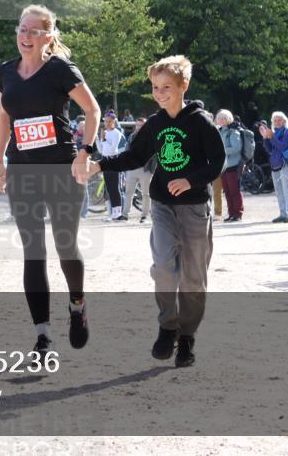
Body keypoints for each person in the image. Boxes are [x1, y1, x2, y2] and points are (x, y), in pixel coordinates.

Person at [84, 55, 224, 367]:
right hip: (162, 205)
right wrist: (100, 165)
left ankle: (187, 336)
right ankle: (168, 326)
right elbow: (135, 156)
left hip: (195, 208)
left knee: (193, 279)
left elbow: (217, 161)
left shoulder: (200, 122)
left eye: (166, 87)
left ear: (183, 86)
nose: (159, 93)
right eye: (155, 88)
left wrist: (190, 180)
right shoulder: (156, 124)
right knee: (163, 267)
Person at [0, 4, 100, 359]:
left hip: (61, 169)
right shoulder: (5, 72)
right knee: (33, 251)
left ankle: (77, 304)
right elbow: (4, 118)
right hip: (22, 170)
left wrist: (85, 152)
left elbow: (92, 110)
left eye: (34, 31)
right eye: (22, 29)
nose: (25, 37)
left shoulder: (60, 70)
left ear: (48, 36)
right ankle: (43, 336)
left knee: (66, 245)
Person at [121, 117, 153, 223]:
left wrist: (151, 169)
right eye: (138, 125)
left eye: (142, 125)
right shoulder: (131, 137)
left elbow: (155, 155)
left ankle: (144, 216)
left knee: (146, 194)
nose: (140, 127)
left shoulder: (151, 137)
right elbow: (126, 152)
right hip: (132, 169)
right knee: (128, 193)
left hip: (145, 170)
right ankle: (124, 215)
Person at [215, 110, 244, 222]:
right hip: (223, 166)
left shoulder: (233, 131)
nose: (221, 120)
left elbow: (236, 148)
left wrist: (222, 151)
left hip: (233, 165)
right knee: (227, 191)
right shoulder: (219, 131)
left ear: (228, 119)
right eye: (219, 118)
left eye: (224, 118)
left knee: (234, 191)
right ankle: (231, 213)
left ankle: (238, 213)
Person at [98, 111, 125, 221]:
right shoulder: (105, 132)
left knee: (115, 187)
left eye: (110, 121)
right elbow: (101, 150)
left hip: (113, 160)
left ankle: (118, 213)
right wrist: (97, 139)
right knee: (109, 188)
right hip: (105, 160)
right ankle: (113, 212)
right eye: (106, 121)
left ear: (114, 121)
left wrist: (104, 139)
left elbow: (113, 149)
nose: (107, 123)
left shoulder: (116, 133)